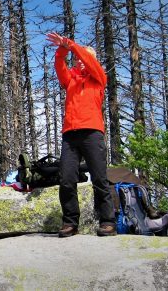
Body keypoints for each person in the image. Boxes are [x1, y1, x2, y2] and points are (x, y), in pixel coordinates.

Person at [44, 32, 117, 238]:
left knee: (99, 179)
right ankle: (70, 223)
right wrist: (63, 49)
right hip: (70, 134)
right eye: (77, 59)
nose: (80, 61)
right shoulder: (71, 80)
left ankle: (108, 222)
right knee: (67, 179)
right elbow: (60, 65)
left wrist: (73, 45)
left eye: (83, 58)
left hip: (92, 133)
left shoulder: (99, 78)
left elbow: (89, 62)